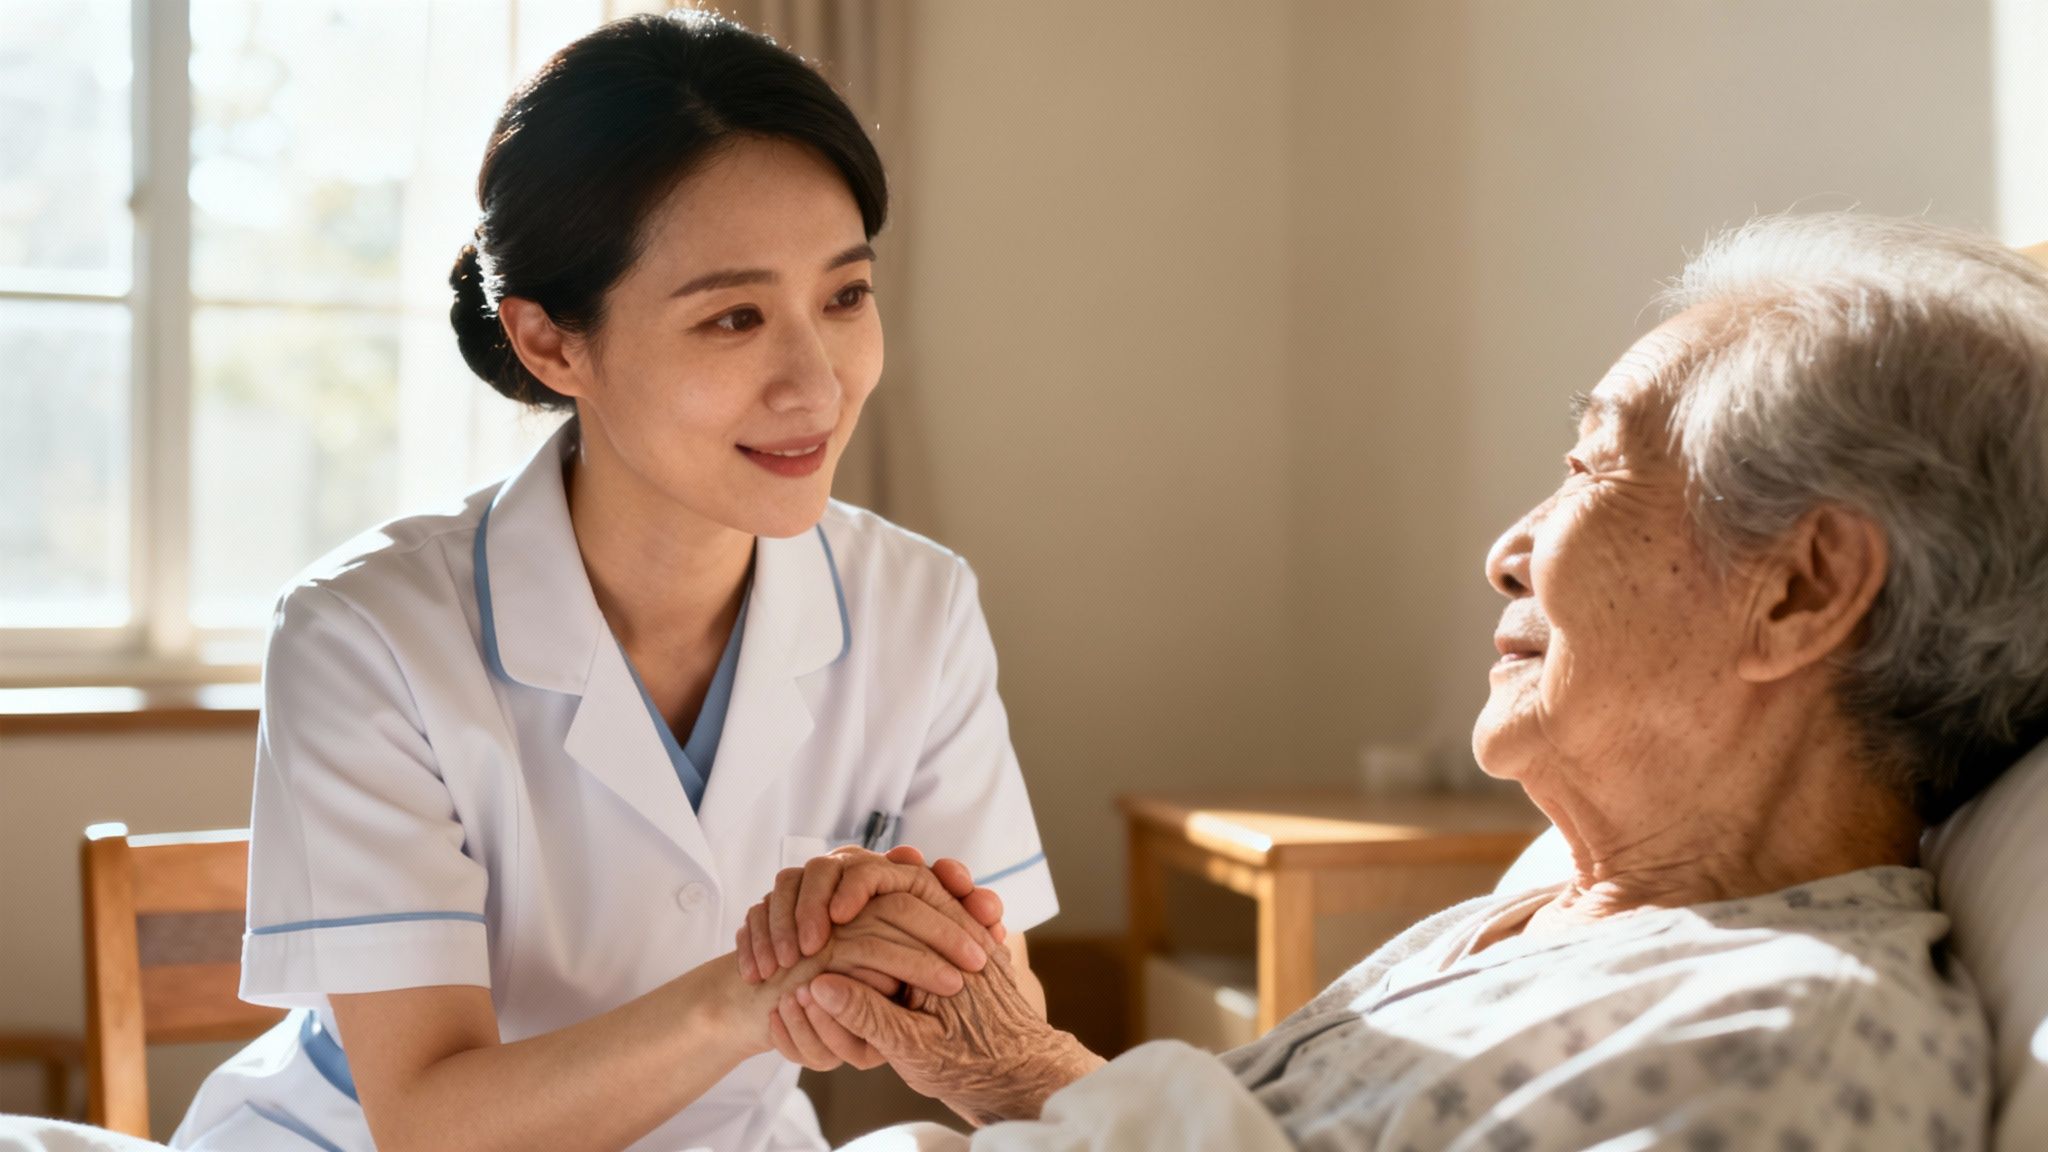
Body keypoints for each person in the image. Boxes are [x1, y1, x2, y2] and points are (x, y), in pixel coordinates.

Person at [752, 214, 2048, 1151]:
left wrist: (1016, 1069)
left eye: (1596, 468)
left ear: (1803, 589)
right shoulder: (1563, 915)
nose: (1509, 553)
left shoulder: (1782, 1043)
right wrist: (999, 1062)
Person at [171, 12, 1056, 1152]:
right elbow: (429, 1120)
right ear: (550, 344)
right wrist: (752, 991)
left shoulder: (917, 607)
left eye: (842, 298)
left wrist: (907, 966)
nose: (816, 386)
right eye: (733, 317)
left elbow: (990, 1032)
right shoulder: (364, 632)